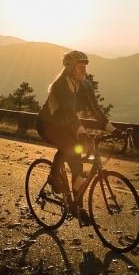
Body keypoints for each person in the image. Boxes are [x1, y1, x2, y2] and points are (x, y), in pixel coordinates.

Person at [37, 50, 115, 222]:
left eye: (85, 67)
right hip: (48, 125)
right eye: (80, 67)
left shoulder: (85, 85)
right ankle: (53, 176)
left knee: (78, 166)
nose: (84, 71)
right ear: (70, 68)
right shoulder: (60, 85)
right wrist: (81, 133)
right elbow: (70, 113)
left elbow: (96, 110)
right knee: (68, 148)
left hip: (66, 126)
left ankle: (78, 208)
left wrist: (112, 130)